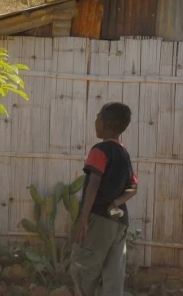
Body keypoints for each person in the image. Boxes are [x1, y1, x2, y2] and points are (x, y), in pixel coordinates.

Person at [70, 102, 138, 296]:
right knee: (113, 274)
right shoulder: (124, 153)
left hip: (98, 219)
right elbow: (133, 188)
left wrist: (83, 219)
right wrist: (115, 204)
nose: (95, 121)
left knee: (84, 268)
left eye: (97, 117)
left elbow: (94, 184)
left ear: (105, 123)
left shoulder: (99, 150)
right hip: (119, 221)